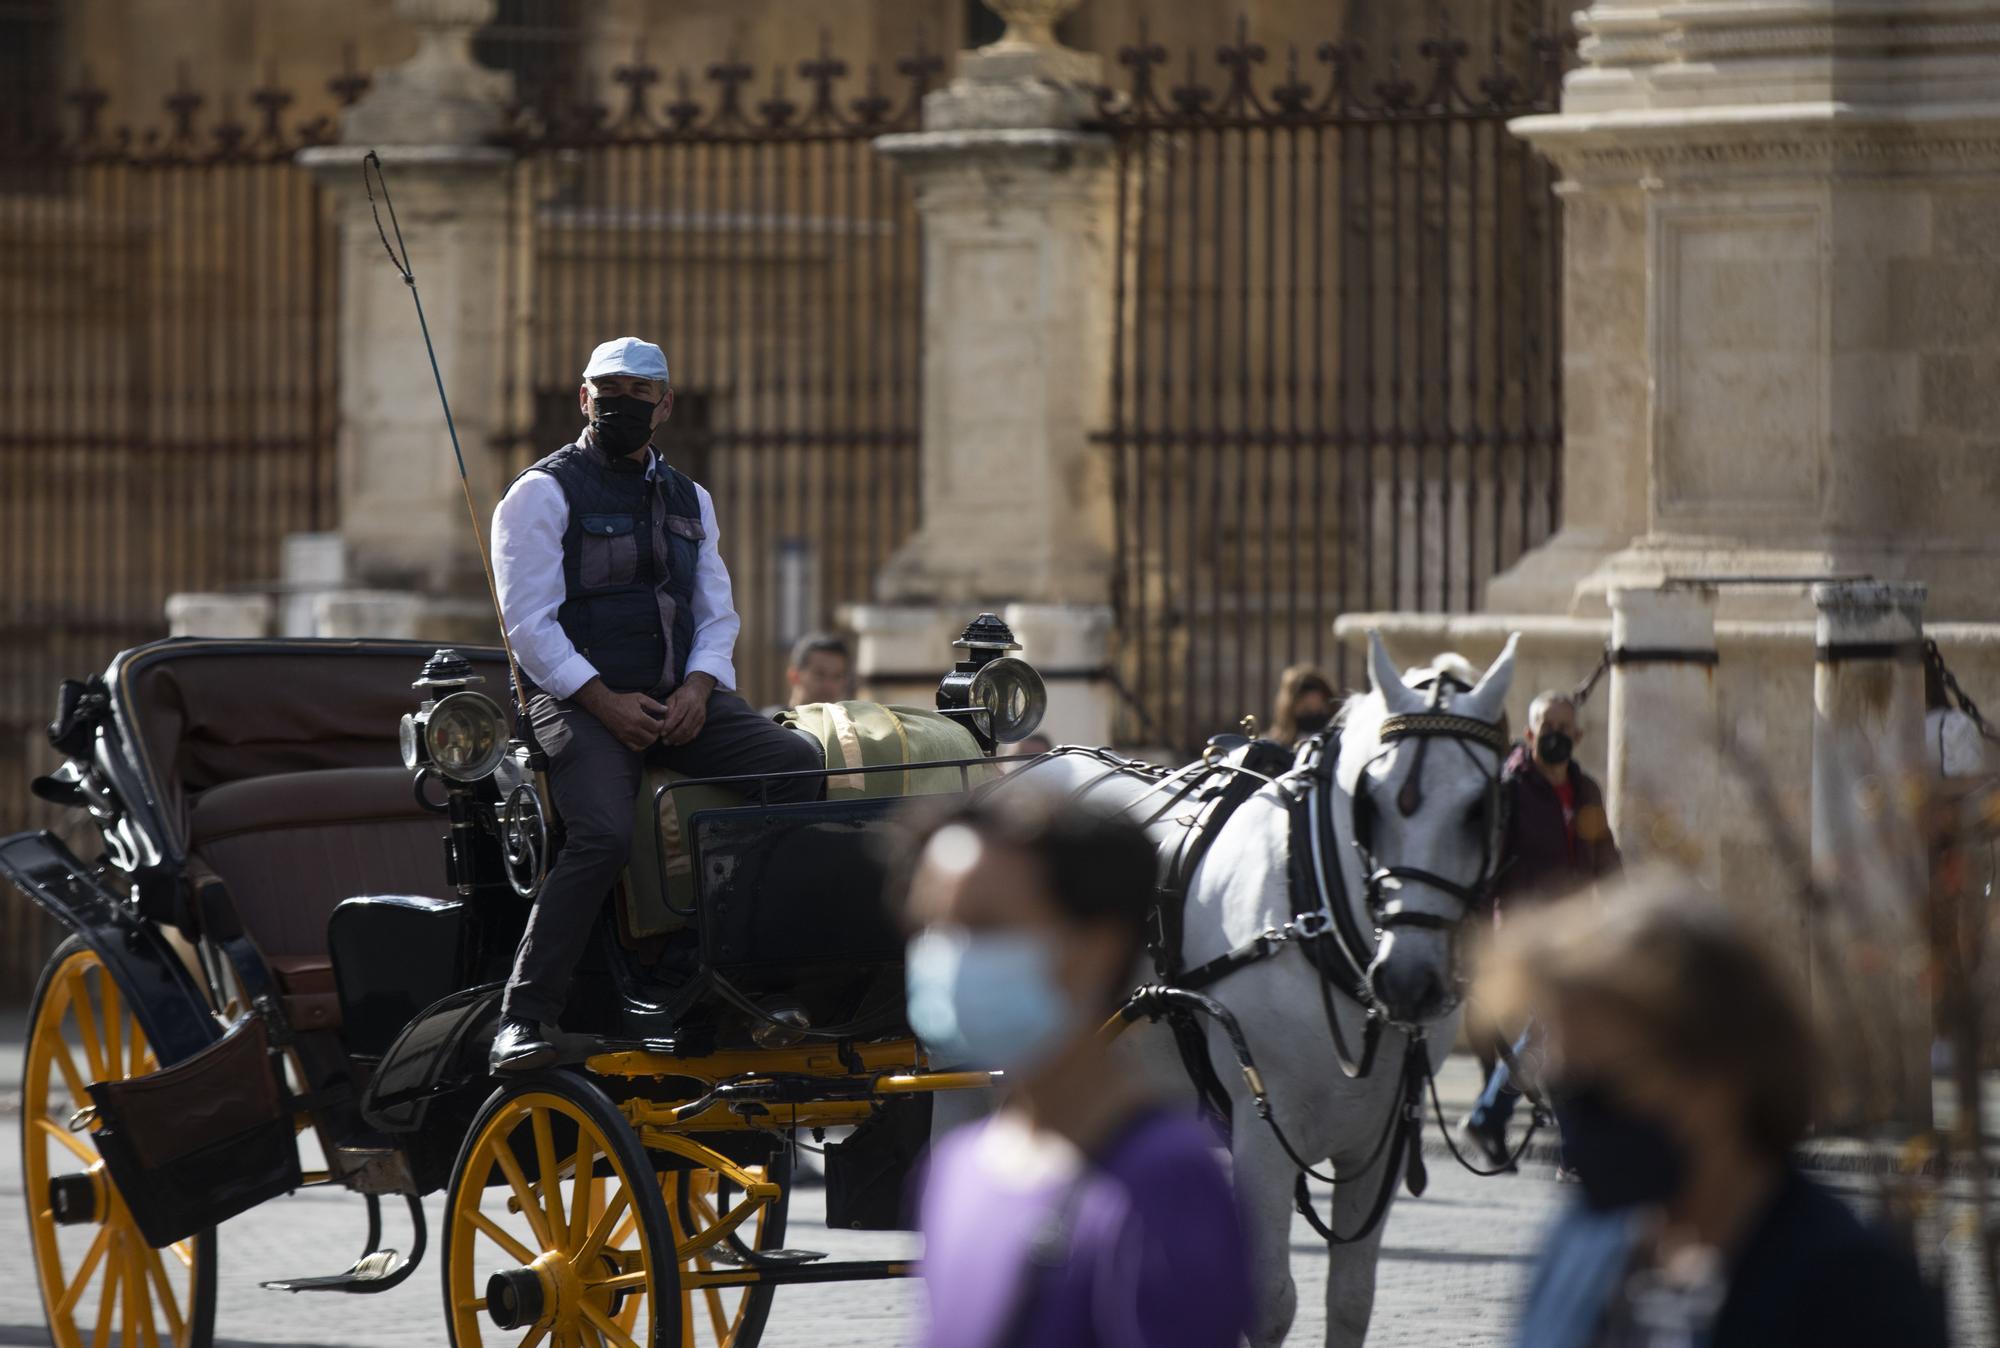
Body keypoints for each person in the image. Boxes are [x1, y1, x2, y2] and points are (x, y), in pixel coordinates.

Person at [488, 336, 824, 1072]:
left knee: (799, 770)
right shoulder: (539, 494)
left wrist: (702, 687)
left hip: (681, 701)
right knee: (602, 834)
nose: (620, 406)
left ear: (664, 405)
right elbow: (529, 627)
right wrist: (603, 701)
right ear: (583, 399)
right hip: (577, 703)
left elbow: (717, 615)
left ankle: (732, 968)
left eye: (637, 395)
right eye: (605, 392)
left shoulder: (690, 498)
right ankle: (525, 1014)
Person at [1488, 886, 1948, 1348]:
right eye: (1568, 1088)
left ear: (1719, 1076)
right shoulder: (1575, 1251)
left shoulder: (1853, 1291)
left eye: (1605, 1088)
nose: (1584, 1121)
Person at [903, 790, 1252, 1348]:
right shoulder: (957, 1168)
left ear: (1096, 948)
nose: (948, 958)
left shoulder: (1164, 1185)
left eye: (986, 929)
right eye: (932, 927)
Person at [1460, 688, 1620, 1166]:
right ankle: (1572, 1149)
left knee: (1553, 1034)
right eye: (1546, 729)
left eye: (1564, 730)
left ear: (1579, 735)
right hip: (1525, 935)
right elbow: (1488, 865)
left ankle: (1492, 1117)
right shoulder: (1511, 790)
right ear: (1529, 734)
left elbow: (1606, 856)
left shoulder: (1586, 789)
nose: (1556, 737)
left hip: (1576, 935)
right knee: (1556, 1029)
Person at [782, 631, 853, 710]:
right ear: (794, 676)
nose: (828, 685)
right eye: (819, 675)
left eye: (837, 676)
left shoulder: (850, 722)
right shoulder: (772, 721)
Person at [1270, 663, 1337, 746]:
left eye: (1319, 711)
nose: (1314, 716)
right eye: (1306, 710)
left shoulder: (1338, 745)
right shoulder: (1276, 747)